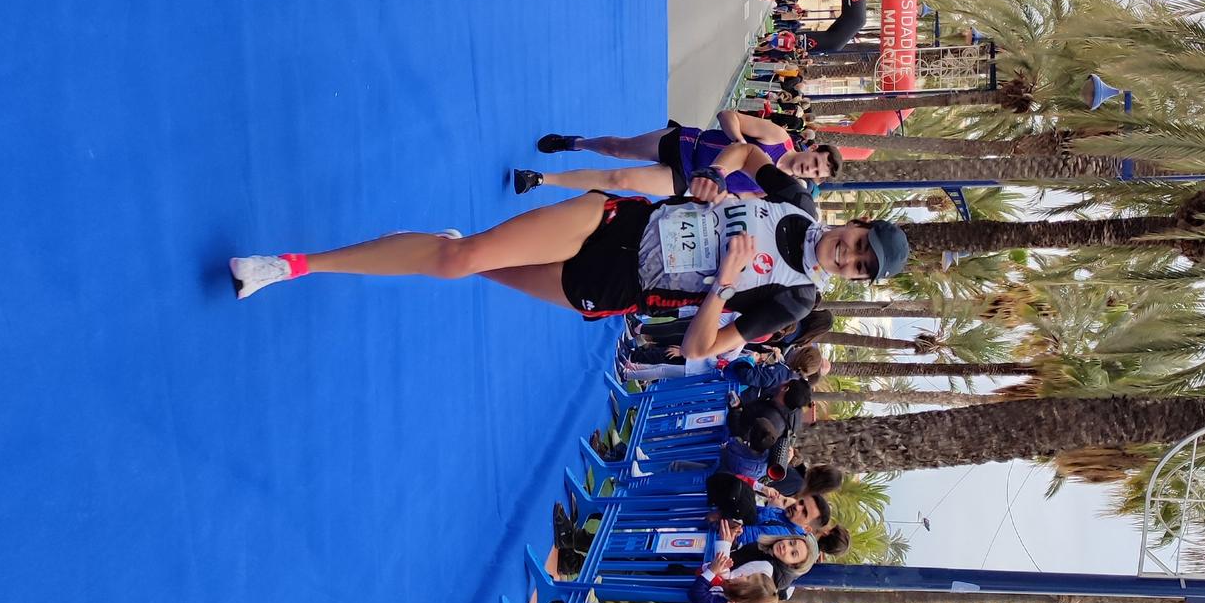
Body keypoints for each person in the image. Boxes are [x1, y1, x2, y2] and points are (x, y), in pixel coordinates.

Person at [230, 174, 911, 365]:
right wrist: (709, 182)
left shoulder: (791, 302)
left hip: (619, 287)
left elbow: (701, 349)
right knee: (457, 260)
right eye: (859, 244)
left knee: (473, 268)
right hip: (620, 223)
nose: (848, 257)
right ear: (854, 223)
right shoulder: (794, 197)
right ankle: (293, 264)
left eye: (858, 268)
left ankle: (457, 248)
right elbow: (733, 150)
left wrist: (727, 284)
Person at [513, 131, 841, 203]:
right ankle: (576, 143)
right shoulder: (778, 137)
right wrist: (741, 147)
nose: (809, 168)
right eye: (814, 162)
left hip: (684, 179)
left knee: (620, 179)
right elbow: (729, 116)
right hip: (689, 144)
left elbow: (743, 201)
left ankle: (541, 179)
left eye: (814, 172)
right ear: (810, 151)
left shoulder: (775, 186)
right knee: (618, 149)